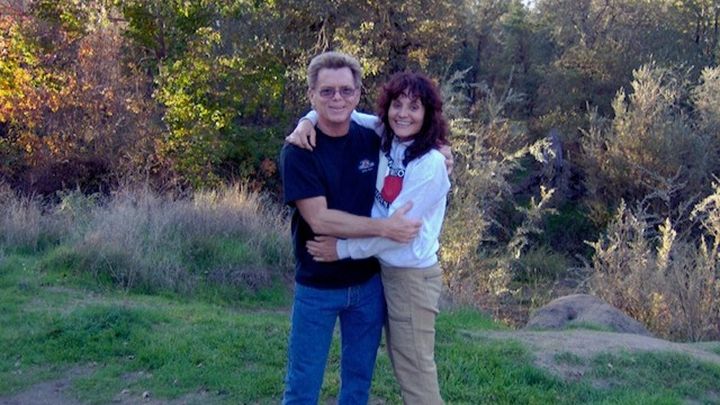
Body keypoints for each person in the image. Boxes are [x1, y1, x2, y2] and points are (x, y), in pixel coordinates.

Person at [290, 72, 450, 405]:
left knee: (414, 369)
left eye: (414, 107)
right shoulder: (386, 135)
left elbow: (398, 233)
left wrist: (342, 248)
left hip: (410, 275)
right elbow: (340, 111)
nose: (403, 114)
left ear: (428, 114)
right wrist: (306, 121)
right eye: (397, 105)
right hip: (382, 271)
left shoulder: (430, 164)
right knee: (401, 362)